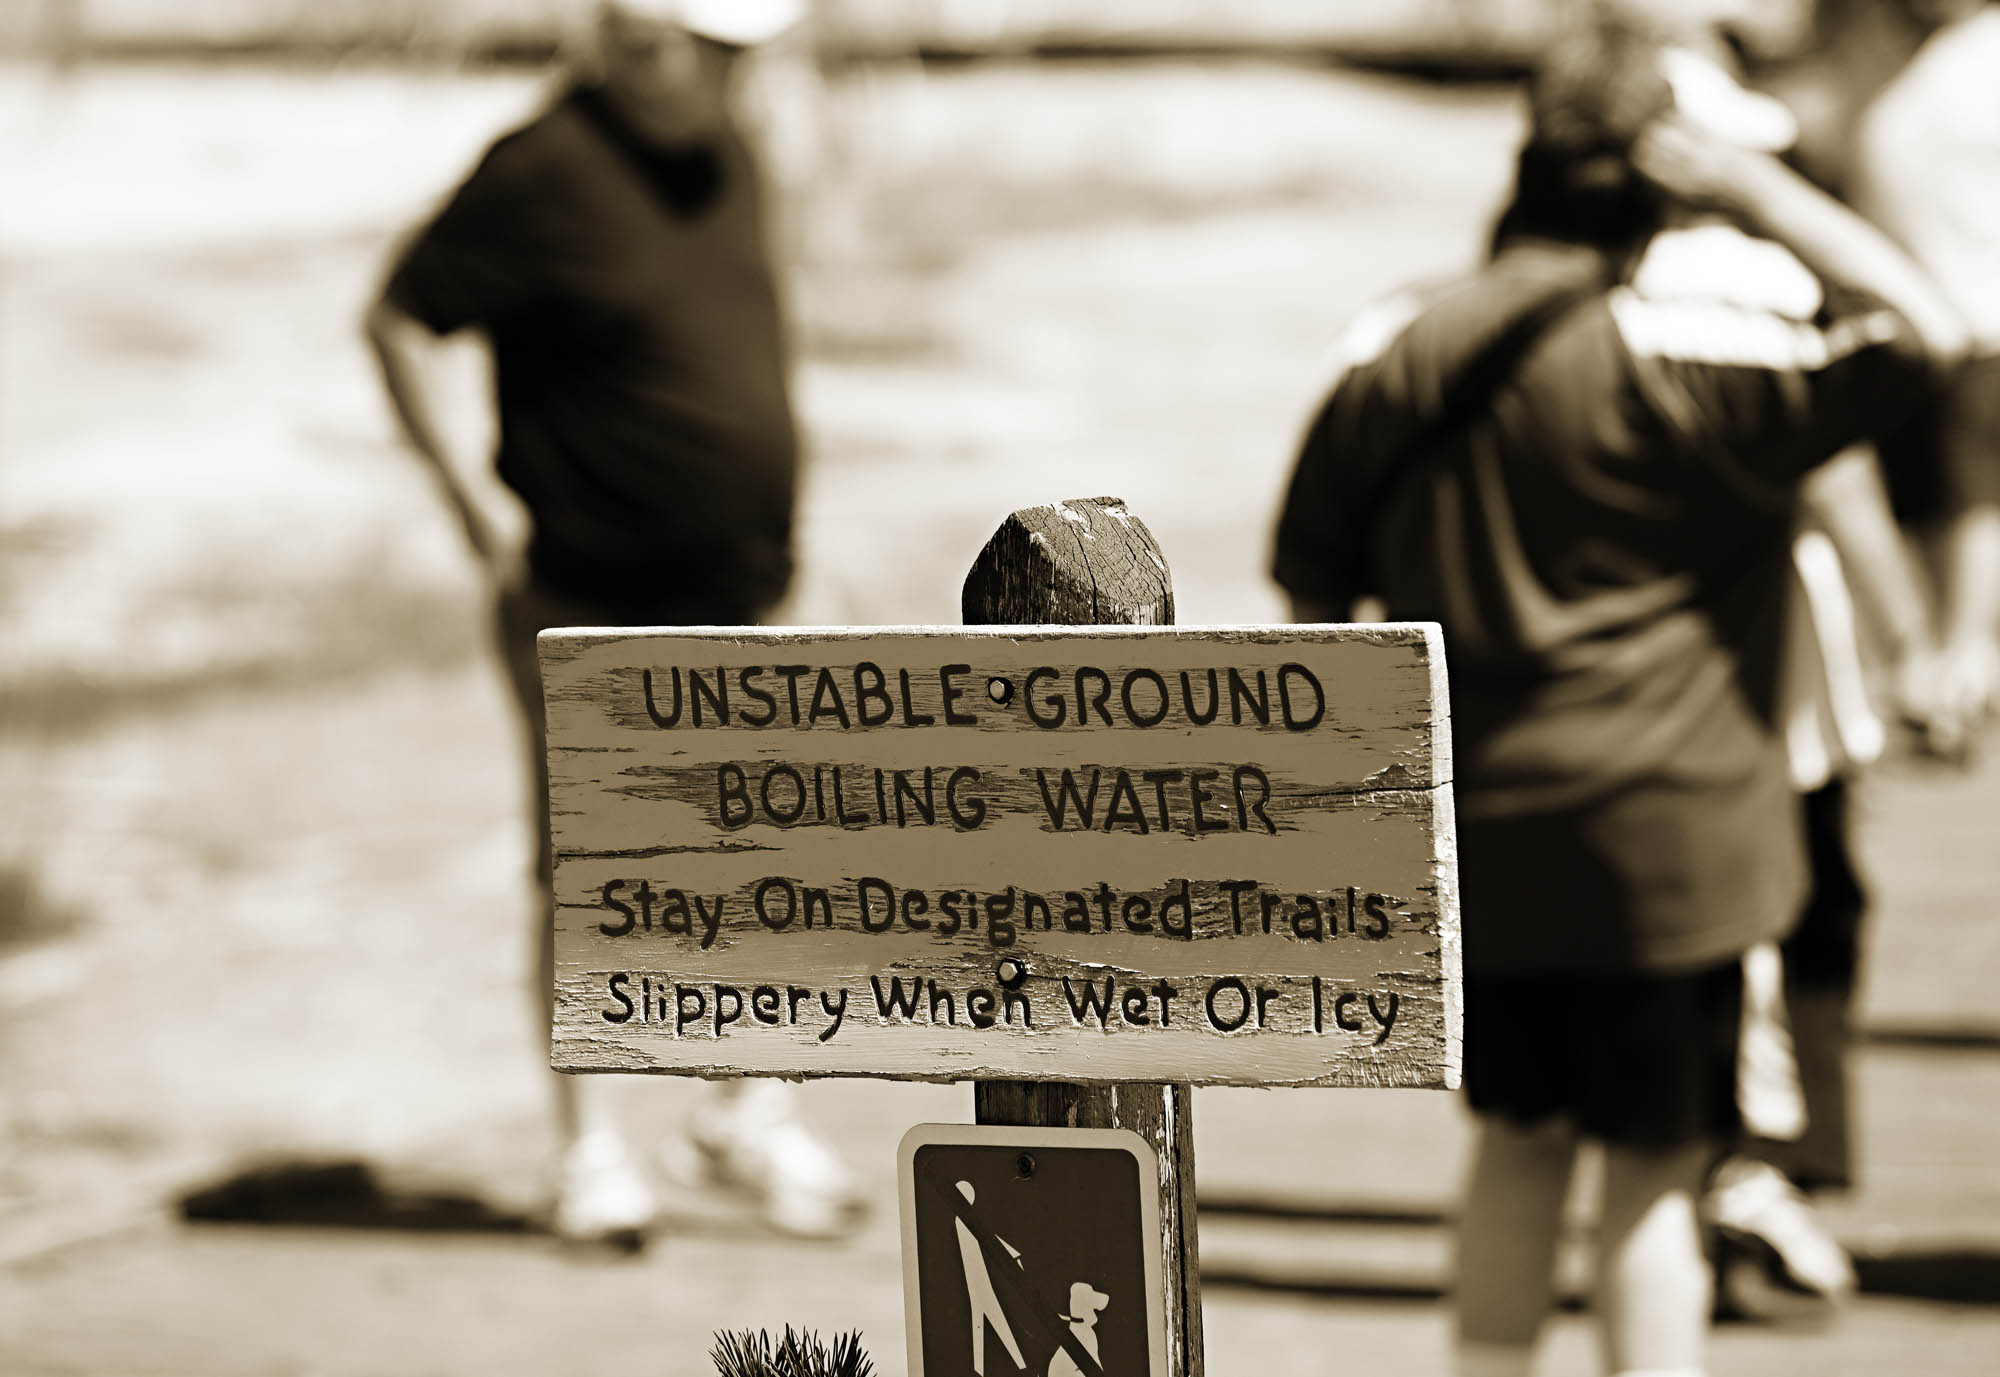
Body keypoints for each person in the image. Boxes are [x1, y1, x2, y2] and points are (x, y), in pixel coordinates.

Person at [1270, 22, 1966, 1376]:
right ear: (1667, 184)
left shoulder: (1393, 349)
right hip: (1680, 853)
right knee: (1654, 1171)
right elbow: (1927, 336)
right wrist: (1761, 189)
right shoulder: (1697, 363)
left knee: (1514, 1140)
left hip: (1480, 837)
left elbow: (1310, 590)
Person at [364, 0, 864, 1248]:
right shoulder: (543, 168)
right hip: (587, 592)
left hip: (745, 588)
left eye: (746, 52)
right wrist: (470, 503)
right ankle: (589, 1153)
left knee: (766, 854)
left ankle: (746, 1113)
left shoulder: (729, 148)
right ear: (641, 39)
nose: (741, 71)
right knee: (593, 875)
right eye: (719, 49)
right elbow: (399, 316)